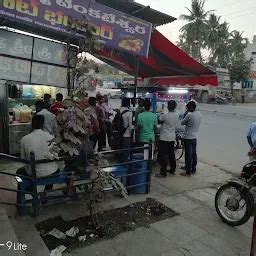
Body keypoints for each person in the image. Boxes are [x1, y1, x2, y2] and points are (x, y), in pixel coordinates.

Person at [17, 115, 58, 180]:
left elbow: (23, 159)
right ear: (42, 125)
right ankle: (47, 189)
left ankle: (29, 189)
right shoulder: (51, 137)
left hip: (33, 173)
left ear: (31, 125)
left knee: (18, 172)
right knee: (55, 168)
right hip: (51, 171)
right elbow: (55, 155)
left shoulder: (24, 139)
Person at [156, 100, 180, 178]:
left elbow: (158, 121)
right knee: (171, 154)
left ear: (168, 106)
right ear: (175, 107)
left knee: (163, 155)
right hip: (172, 137)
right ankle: (172, 169)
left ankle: (163, 173)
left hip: (164, 138)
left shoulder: (165, 115)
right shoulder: (177, 115)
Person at [180, 101, 202, 177]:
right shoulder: (199, 115)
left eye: (188, 108)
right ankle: (193, 168)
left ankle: (188, 171)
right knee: (193, 153)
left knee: (188, 154)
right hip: (194, 137)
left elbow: (182, 122)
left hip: (188, 137)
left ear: (190, 108)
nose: (187, 109)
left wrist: (186, 112)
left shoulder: (189, 115)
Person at [118, 97, 133, 162]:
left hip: (119, 134)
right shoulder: (129, 113)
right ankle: (125, 164)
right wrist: (132, 135)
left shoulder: (119, 110)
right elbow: (130, 126)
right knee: (126, 151)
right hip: (127, 135)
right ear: (128, 104)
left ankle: (120, 162)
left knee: (120, 150)